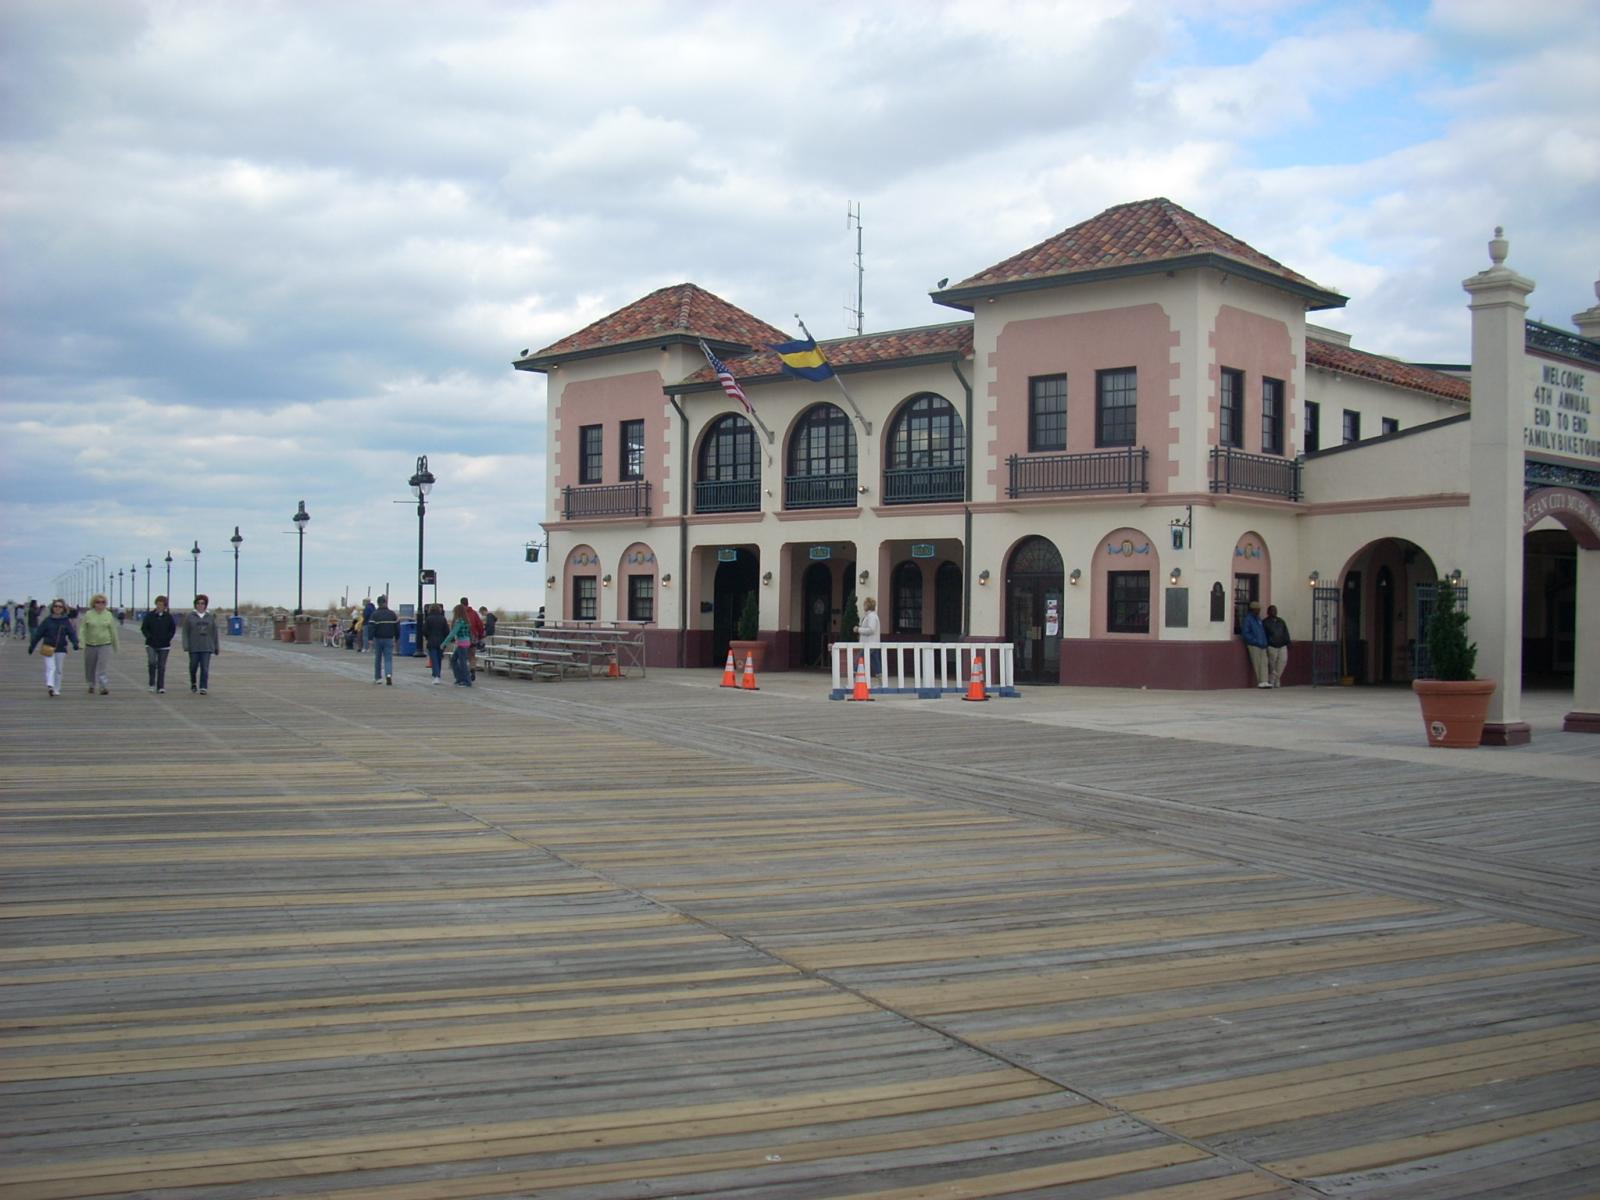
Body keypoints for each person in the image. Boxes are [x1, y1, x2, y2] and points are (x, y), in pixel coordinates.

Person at [29, 598, 79, 697]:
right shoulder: (47, 621)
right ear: (52, 608)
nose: (57, 608)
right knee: (50, 667)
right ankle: (50, 686)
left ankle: (56, 689)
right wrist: (32, 646)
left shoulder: (65, 621)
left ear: (63, 609)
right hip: (48, 647)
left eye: (60, 607)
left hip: (61, 648)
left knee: (58, 669)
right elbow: (38, 634)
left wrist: (75, 643)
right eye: (56, 606)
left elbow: (71, 633)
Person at [79, 593, 120, 695]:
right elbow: (82, 630)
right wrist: (82, 643)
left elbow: (113, 631)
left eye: (103, 602)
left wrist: (115, 645)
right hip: (90, 644)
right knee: (90, 666)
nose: (100, 604)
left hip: (105, 644)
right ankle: (91, 684)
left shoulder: (108, 615)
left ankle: (103, 686)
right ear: (94, 603)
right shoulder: (88, 614)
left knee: (103, 666)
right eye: (98, 602)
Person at [182, 594, 221, 694]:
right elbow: (185, 632)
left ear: (205, 605)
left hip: (207, 646)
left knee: (205, 668)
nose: (200, 605)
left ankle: (203, 687)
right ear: (195, 605)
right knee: (193, 666)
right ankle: (193, 683)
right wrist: (186, 645)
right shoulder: (190, 617)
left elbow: (214, 633)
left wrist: (216, 647)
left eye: (202, 603)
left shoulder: (210, 617)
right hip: (194, 646)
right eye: (198, 603)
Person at [141, 595, 177, 693]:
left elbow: (172, 629)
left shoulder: (168, 617)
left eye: (161, 605)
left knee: (161, 666)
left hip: (164, 645)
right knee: (152, 662)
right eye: (158, 604)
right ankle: (151, 684)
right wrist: (149, 636)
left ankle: (160, 686)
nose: (159, 606)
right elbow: (144, 628)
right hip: (151, 644)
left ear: (165, 606)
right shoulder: (149, 616)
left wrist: (168, 638)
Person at [368, 594, 399, 685]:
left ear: (378, 603)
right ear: (386, 602)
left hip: (378, 639)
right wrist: (397, 637)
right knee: (388, 659)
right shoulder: (392, 614)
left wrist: (370, 638)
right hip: (389, 639)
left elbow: (371, 627)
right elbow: (397, 627)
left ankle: (378, 678)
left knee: (378, 659)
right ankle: (388, 675)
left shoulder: (375, 614)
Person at [1241, 599, 1270, 688]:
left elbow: (1262, 632)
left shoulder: (1258, 619)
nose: (1259, 610)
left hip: (1262, 644)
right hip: (1254, 645)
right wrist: (1255, 641)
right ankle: (1260, 681)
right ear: (1253, 609)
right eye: (1258, 609)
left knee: (1264, 663)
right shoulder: (1248, 619)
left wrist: (1264, 642)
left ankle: (1265, 680)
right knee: (1257, 663)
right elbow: (1246, 633)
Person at [445, 603, 475, 686]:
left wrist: (444, 643)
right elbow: (469, 633)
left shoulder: (459, 622)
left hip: (461, 643)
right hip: (466, 642)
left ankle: (466, 681)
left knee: (462, 663)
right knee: (454, 660)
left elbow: (452, 633)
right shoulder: (466, 621)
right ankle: (460, 678)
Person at [1263, 604, 1291, 688]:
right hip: (1272, 645)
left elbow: (1285, 632)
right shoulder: (1265, 622)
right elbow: (1264, 635)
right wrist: (1266, 644)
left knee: (1283, 661)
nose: (1274, 612)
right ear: (1268, 612)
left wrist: (1288, 642)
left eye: (1275, 610)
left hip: (1282, 645)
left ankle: (1276, 678)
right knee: (1272, 664)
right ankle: (1272, 680)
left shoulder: (1281, 621)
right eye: (1272, 610)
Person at [422, 602, 451, 685]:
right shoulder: (443, 619)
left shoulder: (428, 619)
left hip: (431, 640)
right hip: (441, 641)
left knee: (434, 658)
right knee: (439, 658)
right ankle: (437, 674)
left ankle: (436, 675)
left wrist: (427, 636)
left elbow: (424, 630)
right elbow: (447, 631)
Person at [854, 595, 881, 675]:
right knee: (875, 662)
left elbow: (871, 629)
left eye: (864, 604)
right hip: (873, 643)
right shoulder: (871, 616)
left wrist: (859, 630)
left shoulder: (871, 616)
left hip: (869, 643)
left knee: (859, 659)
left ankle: (854, 675)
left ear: (868, 605)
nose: (863, 606)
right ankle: (880, 677)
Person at [461, 596, 484, 679]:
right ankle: (472, 671)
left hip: (463, 638)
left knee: (463, 656)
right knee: (472, 656)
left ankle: (465, 673)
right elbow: (480, 625)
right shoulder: (474, 613)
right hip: (473, 637)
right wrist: (480, 636)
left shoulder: (461, 614)